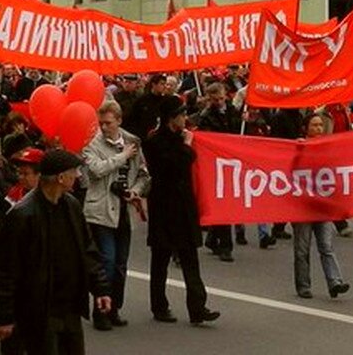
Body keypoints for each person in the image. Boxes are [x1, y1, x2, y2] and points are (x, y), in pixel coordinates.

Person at [0, 149, 112, 355]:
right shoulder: (22, 215)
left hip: (70, 307)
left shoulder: (72, 206)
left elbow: (87, 250)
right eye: (74, 171)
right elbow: (6, 270)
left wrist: (100, 288)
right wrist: (4, 317)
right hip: (38, 309)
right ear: (61, 177)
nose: (78, 176)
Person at [142, 96, 219, 326]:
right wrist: (186, 145)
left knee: (190, 258)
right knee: (161, 258)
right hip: (164, 206)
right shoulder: (155, 142)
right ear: (170, 118)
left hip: (183, 205)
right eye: (181, 114)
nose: (185, 118)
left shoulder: (181, 138)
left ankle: (197, 307)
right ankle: (159, 305)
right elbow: (171, 166)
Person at [82, 101, 150, 330]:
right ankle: (101, 309)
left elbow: (143, 175)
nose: (104, 127)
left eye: (108, 123)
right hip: (101, 209)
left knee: (121, 264)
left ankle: (115, 308)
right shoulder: (93, 144)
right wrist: (122, 157)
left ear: (119, 121)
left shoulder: (133, 142)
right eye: (101, 123)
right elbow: (96, 170)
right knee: (107, 261)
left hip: (124, 209)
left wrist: (136, 191)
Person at [292, 112, 350, 299]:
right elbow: (290, 171)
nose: (318, 128)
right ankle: (303, 286)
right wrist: (298, 149)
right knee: (302, 249)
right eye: (314, 125)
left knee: (326, 246)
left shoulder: (327, 146)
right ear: (306, 128)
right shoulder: (299, 146)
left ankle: (335, 282)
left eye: (320, 125)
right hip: (303, 206)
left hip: (322, 204)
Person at [195, 83, 243, 262]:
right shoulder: (206, 116)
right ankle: (225, 246)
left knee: (226, 202)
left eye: (221, 99)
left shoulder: (234, 112)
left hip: (232, 161)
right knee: (222, 203)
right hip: (215, 164)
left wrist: (247, 120)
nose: (218, 102)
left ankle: (213, 238)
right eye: (214, 100)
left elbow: (239, 131)